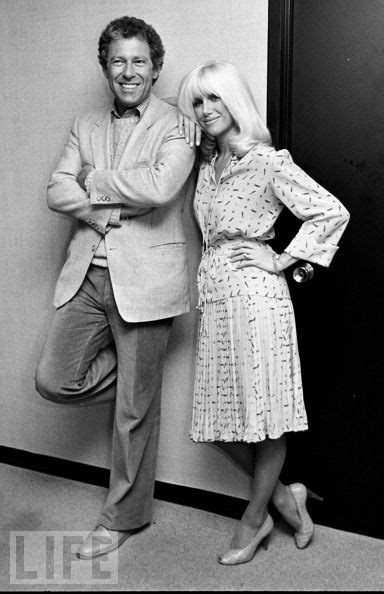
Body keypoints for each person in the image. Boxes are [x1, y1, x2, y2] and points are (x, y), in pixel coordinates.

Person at [35, 16, 195, 560]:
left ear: (156, 67)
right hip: (87, 272)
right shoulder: (85, 123)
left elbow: (159, 186)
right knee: (55, 379)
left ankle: (122, 519)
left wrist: (93, 184)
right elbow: (57, 191)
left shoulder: (178, 123)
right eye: (118, 61)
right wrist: (106, 213)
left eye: (139, 61)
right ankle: (137, 392)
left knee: (134, 411)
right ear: (106, 67)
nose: (129, 71)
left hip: (148, 281)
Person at [177, 60, 350, 565]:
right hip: (215, 301)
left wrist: (281, 258)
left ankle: (254, 521)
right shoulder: (208, 167)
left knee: (266, 421)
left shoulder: (268, 161)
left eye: (214, 98)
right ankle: (284, 498)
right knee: (218, 424)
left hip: (257, 301)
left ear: (236, 102)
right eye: (197, 101)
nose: (206, 109)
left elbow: (330, 210)